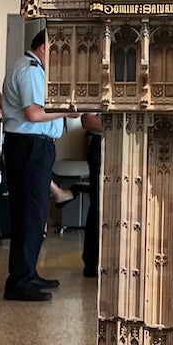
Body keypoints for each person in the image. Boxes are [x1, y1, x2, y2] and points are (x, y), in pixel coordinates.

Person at [2, 30, 93, 302]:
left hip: (34, 146)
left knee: (33, 213)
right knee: (30, 213)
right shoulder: (30, 70)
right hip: (29, 146)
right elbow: (33, 113)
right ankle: (20, 281)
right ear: (44, 48)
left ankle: (28, 273)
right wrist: (69, 110)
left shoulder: (34, 68)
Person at [81, 111, 104, 279]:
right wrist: (121, 126)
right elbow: (87, 120)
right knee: (99, 204)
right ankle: (92, 263)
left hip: (132, 143)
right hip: (103, 144)